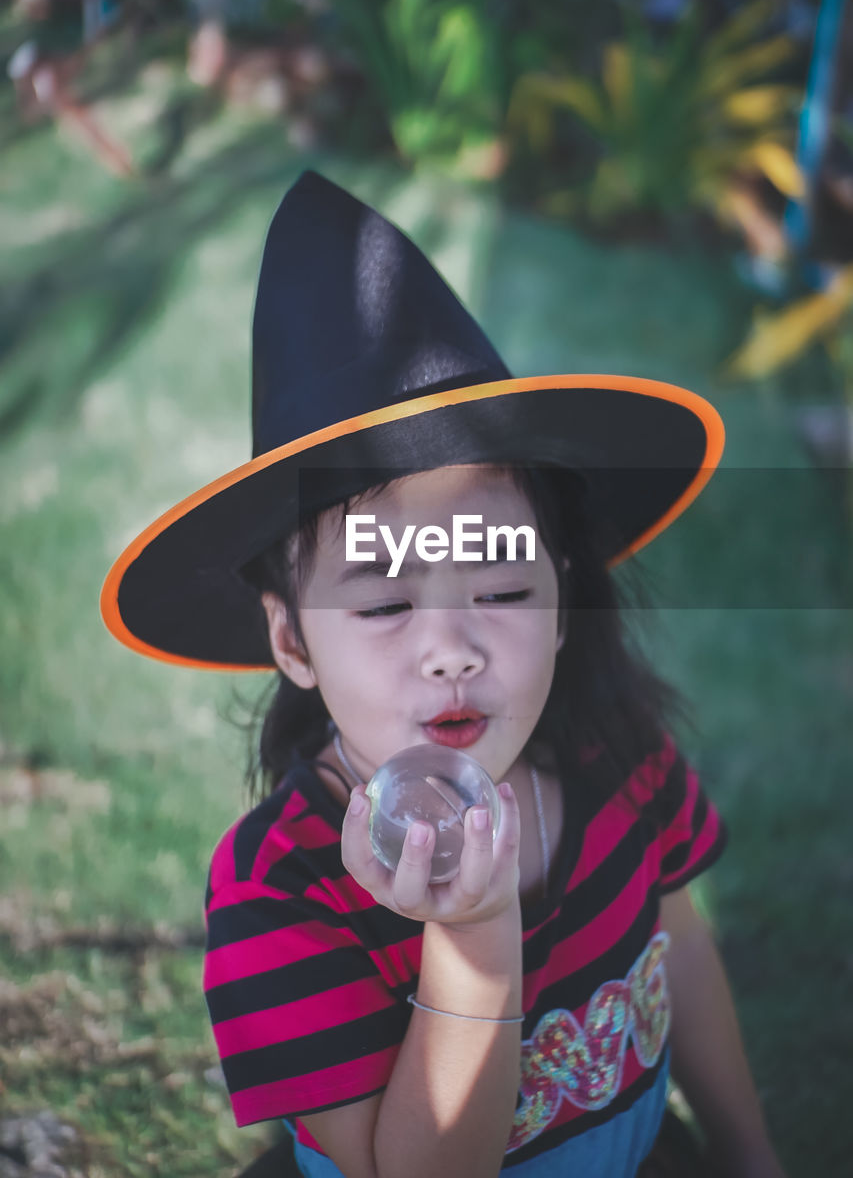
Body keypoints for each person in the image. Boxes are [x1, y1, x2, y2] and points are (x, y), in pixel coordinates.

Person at [101, 172, 786, 1178]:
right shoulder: (281, 891)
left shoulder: (619, 756)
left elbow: (676, 943)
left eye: (503, 591)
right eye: (381, 604)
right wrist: (471, 935)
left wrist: (750, 1155)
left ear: (561, 596)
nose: (452, 646)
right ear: (292, 642)